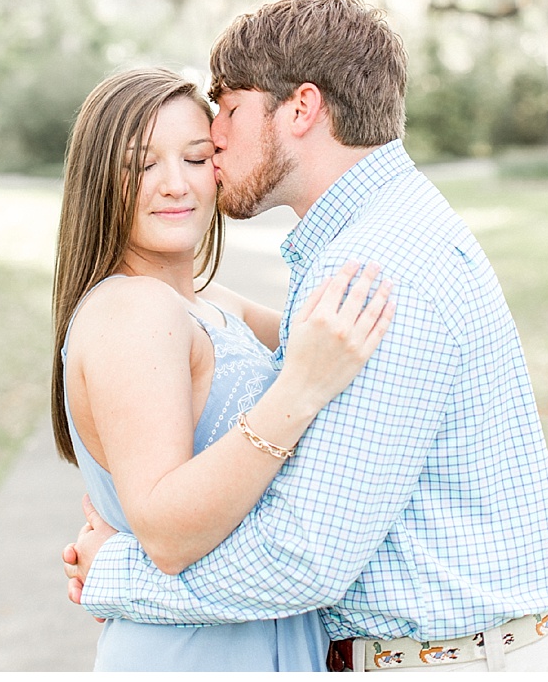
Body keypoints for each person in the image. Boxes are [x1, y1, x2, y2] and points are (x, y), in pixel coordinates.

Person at [64, 0, 548, 672]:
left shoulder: (370, 267)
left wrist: (111, 572)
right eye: (144, 163)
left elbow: (303, 555)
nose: (215, 144)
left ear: (302, 109)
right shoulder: (382, 239)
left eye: (224, 116)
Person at [54, 66, 394, 670]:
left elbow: (360, 340)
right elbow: (165, 530)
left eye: (195, 156)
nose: (175, 185)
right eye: (142, 164)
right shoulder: (132, 310)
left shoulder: (216, 307)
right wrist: (298, 391)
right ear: (100, 178)